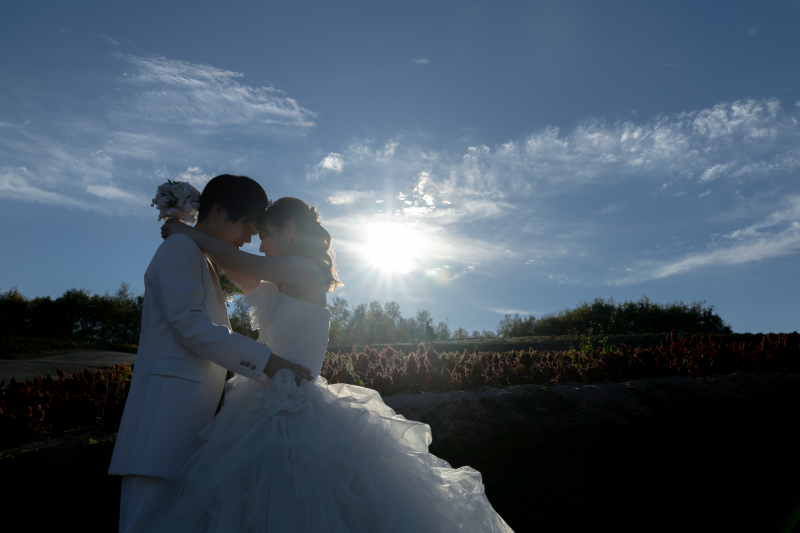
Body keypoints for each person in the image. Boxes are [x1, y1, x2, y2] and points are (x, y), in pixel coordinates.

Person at [157, 197, 514, 532]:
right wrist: (190, 227)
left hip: (296, 406)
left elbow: (243, 264)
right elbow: (232, 266)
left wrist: (187, 231)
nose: (261, 245)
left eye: (265, 236)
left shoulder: (307, 271)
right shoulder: (280, 282)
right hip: (261, 399)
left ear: (291, 232)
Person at [108, 176, 312, 533]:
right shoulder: (178, 250)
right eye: (247, 225)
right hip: (162, 428)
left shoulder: (199, 256)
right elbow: (189, 324)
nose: (250, 237)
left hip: (186, 429)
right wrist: (269, 362)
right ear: (217, 211)